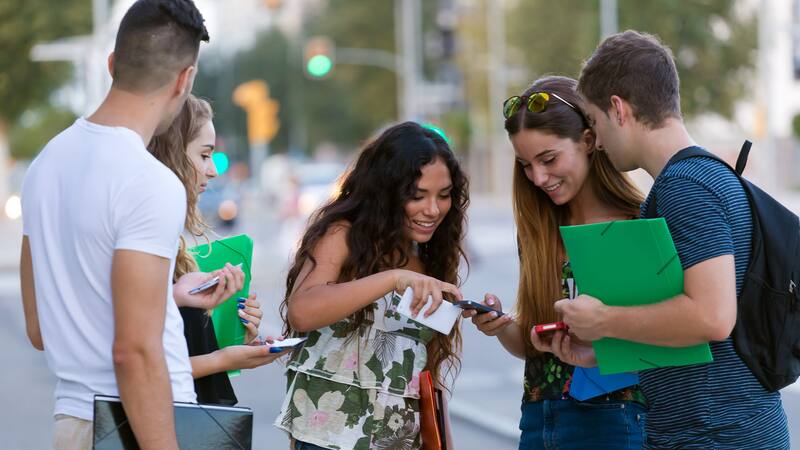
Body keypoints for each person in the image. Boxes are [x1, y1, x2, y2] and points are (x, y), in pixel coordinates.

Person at [550, 30, 790, 448]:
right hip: (713, 430)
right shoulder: (704, 176)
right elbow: (696, 338)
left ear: (618, 109)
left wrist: (603, 319)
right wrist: (600, 354)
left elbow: (711, 317)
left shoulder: (685, 187)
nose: (597, 141)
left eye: (594, 122)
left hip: (717, 435)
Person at [19, 1, 209, 449]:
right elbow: (135, 352)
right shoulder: (150, 183)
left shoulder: (44, 165)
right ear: (185, 79)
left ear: (112, 64)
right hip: (140, 427)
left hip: (74, 423)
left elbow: (39, 328)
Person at [463, 76, 646, 449]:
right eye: (525, 165)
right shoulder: (538, 230)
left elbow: (667, 341)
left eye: (548, 159)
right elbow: (532, 347)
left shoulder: (635, 225)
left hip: (613, 422)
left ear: (589, 140)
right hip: (538, 420)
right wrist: (501, 327)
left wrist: (599, 345)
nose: (538, 177)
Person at [274, 122, 468, 450]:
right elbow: (302, 311)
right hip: (329, 439)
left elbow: (426, 375)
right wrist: (391, 279)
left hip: (401, 441)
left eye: (444, 195)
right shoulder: (342, 235)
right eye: (417, 195)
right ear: (386, 191)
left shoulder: (429, 258)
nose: (433, 209)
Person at [148, 94, 288, 405]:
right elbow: (139, 363)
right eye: (204, 155)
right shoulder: (145, 242)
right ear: (171, 153)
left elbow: (182, 347)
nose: (212, 171)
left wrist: (237, 335)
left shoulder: (177, 249)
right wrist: (225, 359)